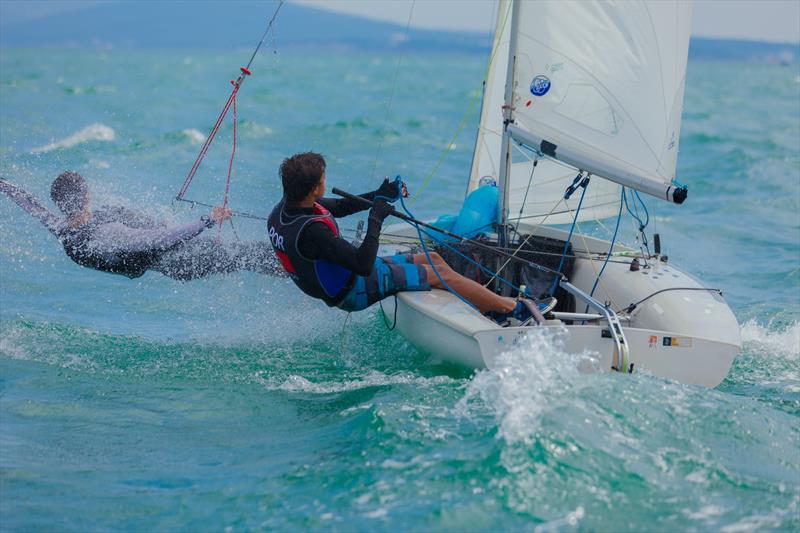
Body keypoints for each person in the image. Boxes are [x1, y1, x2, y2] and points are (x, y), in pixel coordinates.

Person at [267, 151, 533, 318]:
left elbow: (341, 207)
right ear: (314, 188)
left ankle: (487, 305)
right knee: (439, 274)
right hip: (353, 291)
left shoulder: (286, 209)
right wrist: (376, 218)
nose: (326, 183)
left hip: (347, 277)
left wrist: (379, 195)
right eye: (323, 179)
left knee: (431, 258)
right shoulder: (312, 232)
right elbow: (363, 264)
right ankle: (512, 308)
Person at [0, 173, 284, 280]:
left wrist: (4, 184)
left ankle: (294, 273)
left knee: (245, 255)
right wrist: (208, 220)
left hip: (163, 259)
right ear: (85, 196)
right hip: (179, 261)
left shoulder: (62, 229)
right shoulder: (105, 235)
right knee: (246, 254)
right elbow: (159, 240)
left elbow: (30, 204)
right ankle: (302, 274)